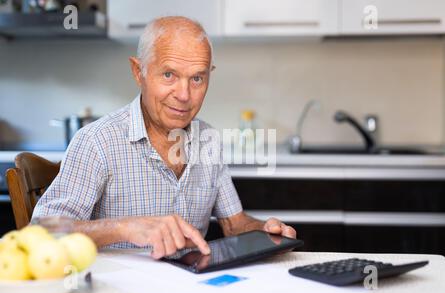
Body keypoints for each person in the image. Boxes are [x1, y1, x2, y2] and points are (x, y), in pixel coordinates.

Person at [32, 16, 297, 259]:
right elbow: (41, 232)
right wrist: (124, 227)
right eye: (169, 75)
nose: (184, 94)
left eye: (197, 78)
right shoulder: (97, 141)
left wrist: (264, 231)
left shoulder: (208, 139)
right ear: (139, 72)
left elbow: (233, 223)